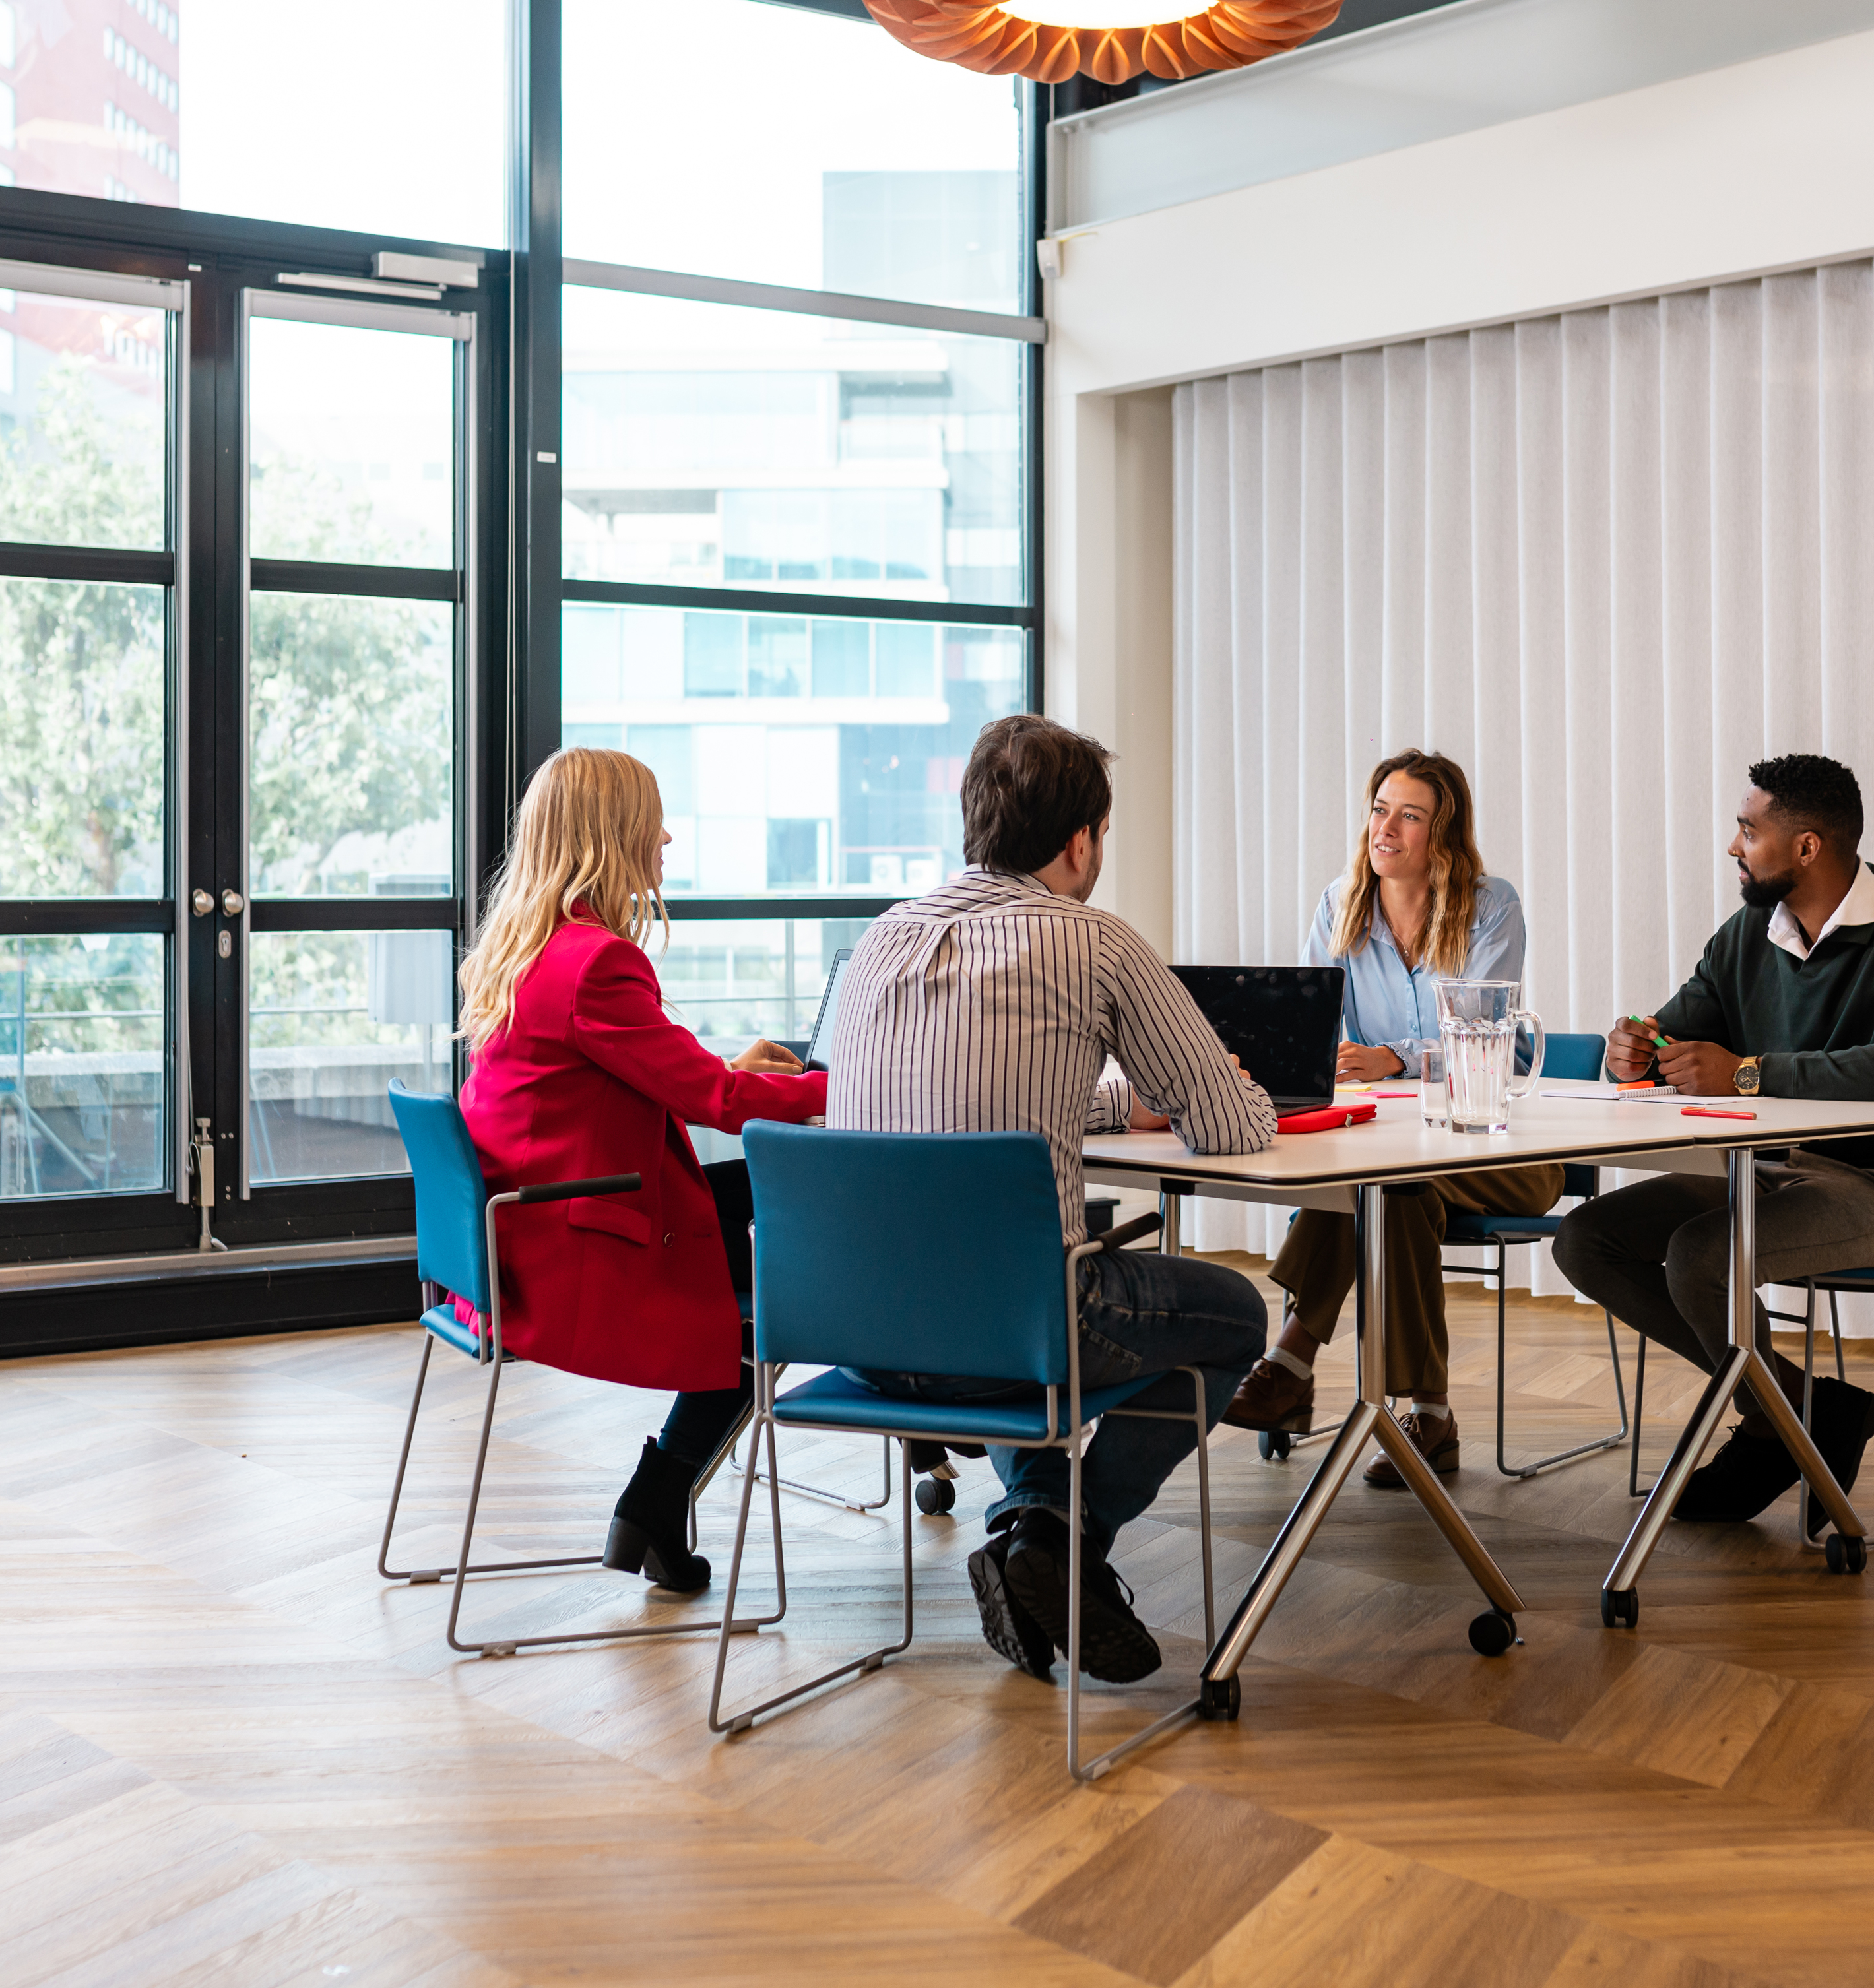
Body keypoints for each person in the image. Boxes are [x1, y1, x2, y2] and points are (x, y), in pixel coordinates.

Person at [822, 714, 1277, 1686]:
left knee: (980, 1288)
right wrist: (1210, 1091)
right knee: (1236, 1314)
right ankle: (1071, 1540)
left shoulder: (881, 938)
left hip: (860, 1328)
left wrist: (1120, 1106)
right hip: (1007, 1332)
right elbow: (1236, 1125)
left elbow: (976, 1097)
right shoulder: (1096, 943)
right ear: (1082, 841)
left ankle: (1033, 1526)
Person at [1550, 754, 1874, 1522]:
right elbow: (1672, 1034)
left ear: (1807, 847)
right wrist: (1631, 1049)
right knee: (1586, 1239)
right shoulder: (1748, 934)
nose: (1732, 847)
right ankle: (1797, 1411)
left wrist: (1746, 1076)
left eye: (1747, 831)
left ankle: (1773, 1424)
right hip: (1775, 1176)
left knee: (1699, 1254)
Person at [454, 748, 828, 1595]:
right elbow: (714, 1103)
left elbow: (622, 1085)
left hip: (519, 1235)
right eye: (650, 819)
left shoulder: (528, 950)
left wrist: (738, 1078)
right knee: (769, 1310)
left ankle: (654, 1506)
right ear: (608, 833)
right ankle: (939, 1372)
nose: (665, 837)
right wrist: (856, 1082)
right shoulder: (597, 963)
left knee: (759, 1239)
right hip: (574, 1249)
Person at [1218, 750, 1563, 1490]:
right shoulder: (1341, 902)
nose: (1387, 828)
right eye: (1380, 809)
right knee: (1392, 1189)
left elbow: (1484, 1029)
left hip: (1502, 1148)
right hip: (1397, 1150)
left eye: (1409, 815)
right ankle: (1427, 1415)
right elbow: (1310, 1026)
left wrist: (1391, 1058)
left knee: (1385, 1186)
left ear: (1442, 833)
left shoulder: (1488, 904)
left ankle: (1289, 1361)